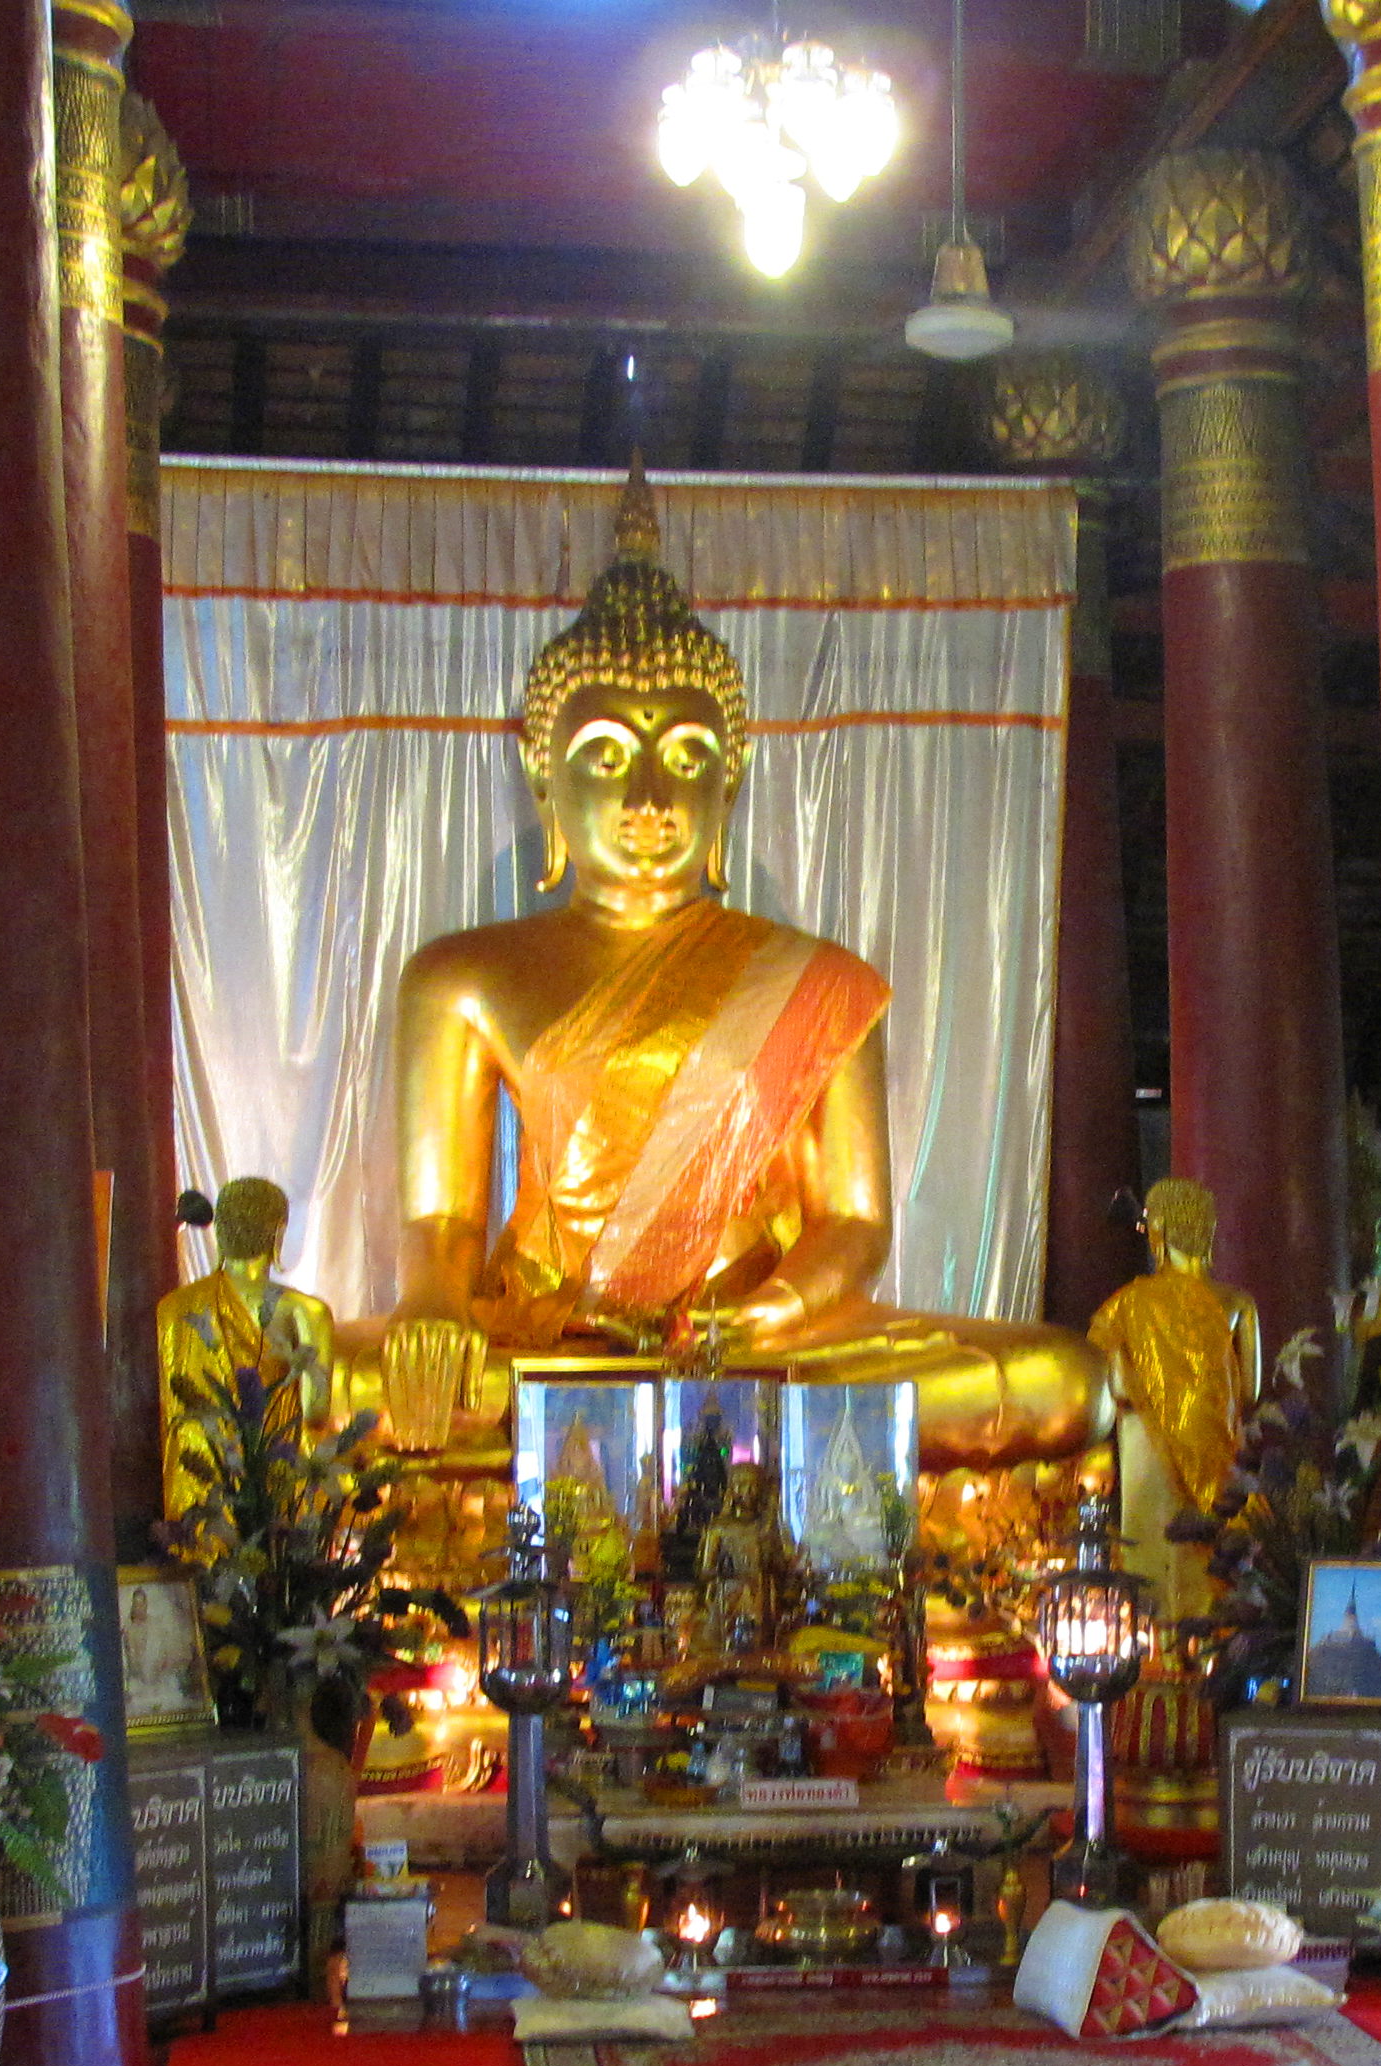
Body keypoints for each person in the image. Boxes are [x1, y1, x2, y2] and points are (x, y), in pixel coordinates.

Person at [332, 465, 1108, 1477]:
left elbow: (854, 1222)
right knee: (306, 1385)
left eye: (689, 755)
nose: (652, 794)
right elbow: (442, 1219)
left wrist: (764, 1315)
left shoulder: (818, 981)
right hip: (544, 1346)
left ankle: (658, 1445)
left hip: (766, 1347)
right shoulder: (462, 975)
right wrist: (433, 1316)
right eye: (607, 757)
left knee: (1060, 1378)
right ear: (543, 777)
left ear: (730, 779)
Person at [1089, 1177, 1260, 1615]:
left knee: (1153, 1544)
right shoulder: (1237, 1303)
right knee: (1210, 1550)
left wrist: (1159, 1397)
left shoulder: (1128, 1304)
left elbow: (1117, 1388)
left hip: (1146, 1443)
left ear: (1160, 1230)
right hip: (1217, 1443)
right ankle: (1212, 1637)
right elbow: (1249, 1391)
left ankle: (1156, 1643)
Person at [158, 1176, 338, 1526]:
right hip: (272, 1481)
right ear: (277, 1233)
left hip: (198, 1485)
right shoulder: (305, 1311)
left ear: (220, 1233)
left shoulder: (173, 1308)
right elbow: (315, 1412)